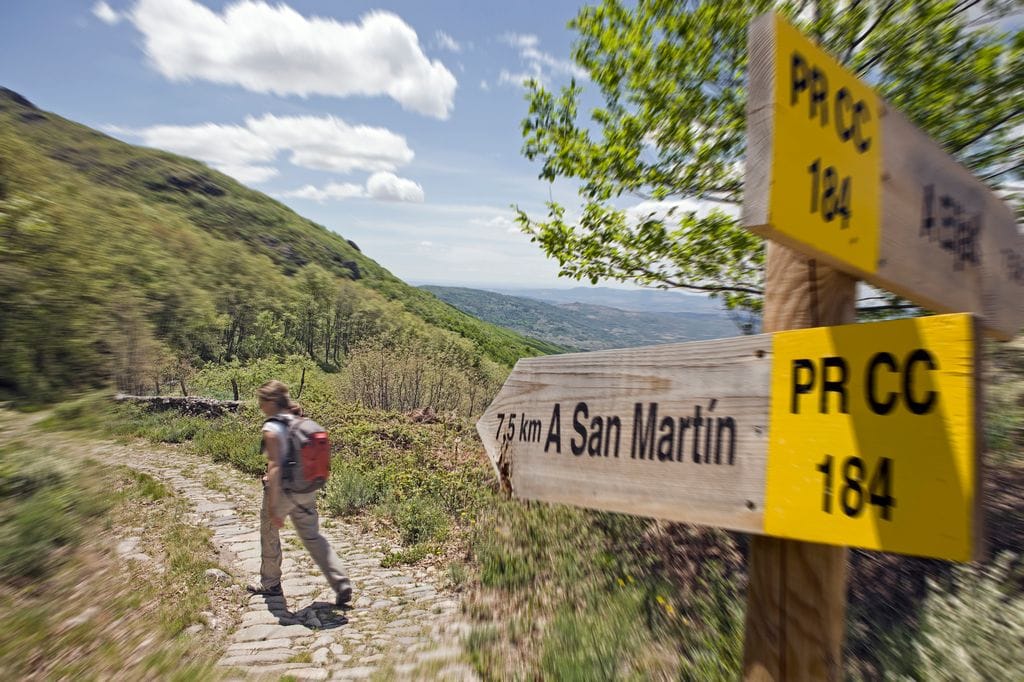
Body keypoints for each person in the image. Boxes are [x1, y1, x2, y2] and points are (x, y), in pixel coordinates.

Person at [247, 380, 352, 607]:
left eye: (261, 401)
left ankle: (271, 583)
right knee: (313, 537)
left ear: (271, 402)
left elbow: (274, 467)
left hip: (284, 490)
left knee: (269, 531)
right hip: (306, 488)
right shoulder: (300, 420)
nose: (260, 406)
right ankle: (341, 581)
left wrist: (275, 507)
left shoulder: (272, 427)